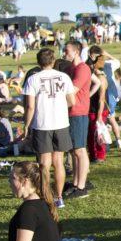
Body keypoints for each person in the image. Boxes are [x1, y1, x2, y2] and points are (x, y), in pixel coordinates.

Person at [20, 47, 77, 208]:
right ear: (53, 61)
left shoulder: (33, 78)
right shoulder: (64, 77)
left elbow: (30, 106)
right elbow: (72, 101)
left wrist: (26, 125)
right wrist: (58, 106)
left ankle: (46, 196)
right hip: (61, 123)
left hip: (42, 123)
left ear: (38, 62)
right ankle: (59, 197)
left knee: (44, 162)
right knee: (58, 161)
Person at [62, 40, 94, 200]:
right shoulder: (70, 68)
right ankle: (75, 183)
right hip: (70, 112)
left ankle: (82, 186)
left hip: (78, 113)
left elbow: (72, 90)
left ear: (76, 52)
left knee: (80, 150)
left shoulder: (83, 68)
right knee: (74, 151)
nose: (64, 53)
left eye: (67, 50)